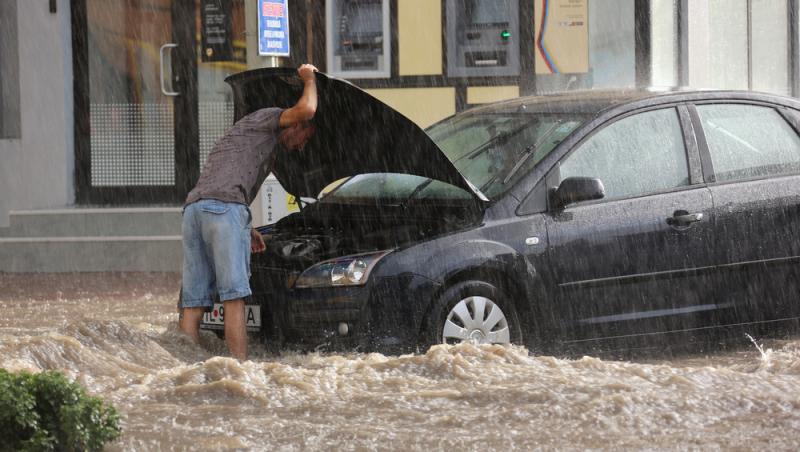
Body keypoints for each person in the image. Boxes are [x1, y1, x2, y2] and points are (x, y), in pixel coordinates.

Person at [178, 63, 318, 360]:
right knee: (235, 298)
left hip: (194, 211)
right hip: (223, 210)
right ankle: (239, 372)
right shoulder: (270, 118)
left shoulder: (248, 135)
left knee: (193, 302)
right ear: (294, 125)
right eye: (305, 138)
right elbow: (307, 109)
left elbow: (223, 183)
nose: (302, 147)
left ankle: (183, 366)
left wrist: (247, 226)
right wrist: (309, 77)